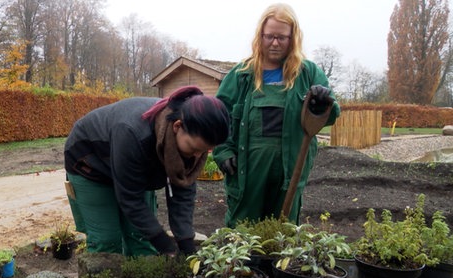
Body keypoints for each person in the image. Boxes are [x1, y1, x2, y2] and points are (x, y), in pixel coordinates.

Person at [213, 3, 340, 227]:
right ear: (260, 35)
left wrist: (321, 105)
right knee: (243, 232)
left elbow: (329, 116)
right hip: (247, 174)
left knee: (282, 233)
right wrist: (223, 150)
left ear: (293, 38)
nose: (274, 43)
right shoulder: (241, 75)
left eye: (282, 38)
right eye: (269, 36)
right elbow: (218, 117)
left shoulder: (308, 74)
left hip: (288, 174)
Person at [64, 86, 230, 257]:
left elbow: (183, 188)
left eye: (204, 151)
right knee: (106, 240)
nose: (197, 155)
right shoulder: (133, 132)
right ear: (177, 126)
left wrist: (186, 242)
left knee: (140, 237)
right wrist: (163, 243)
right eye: (194, 148)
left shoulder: (190, 141)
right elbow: (130, 198)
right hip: (91, 163)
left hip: (132, 165)